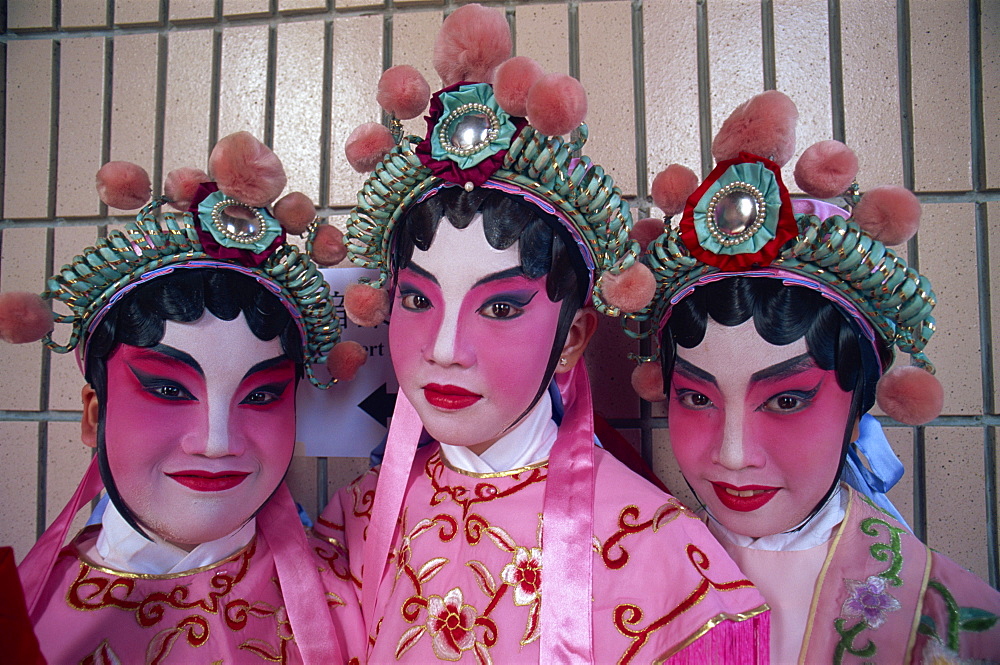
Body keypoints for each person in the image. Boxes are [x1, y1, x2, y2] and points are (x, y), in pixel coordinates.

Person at [313, 5, 770, 662]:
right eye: (418, 298)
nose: (444, 348)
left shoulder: (663, 556)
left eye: (499, 309)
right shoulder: (351, 526)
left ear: (575, 337)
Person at [633, 90, 1000, 663]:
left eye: (785, 401)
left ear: (861, 404)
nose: (733, 455)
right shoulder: (611, 582)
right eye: (696, 398)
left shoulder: (956, 627)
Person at [0, 132, 366, 664]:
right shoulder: (18, 625)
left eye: (261, 395)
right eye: (168, 390)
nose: (217, 442)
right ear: (93, 416)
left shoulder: (365, 599)